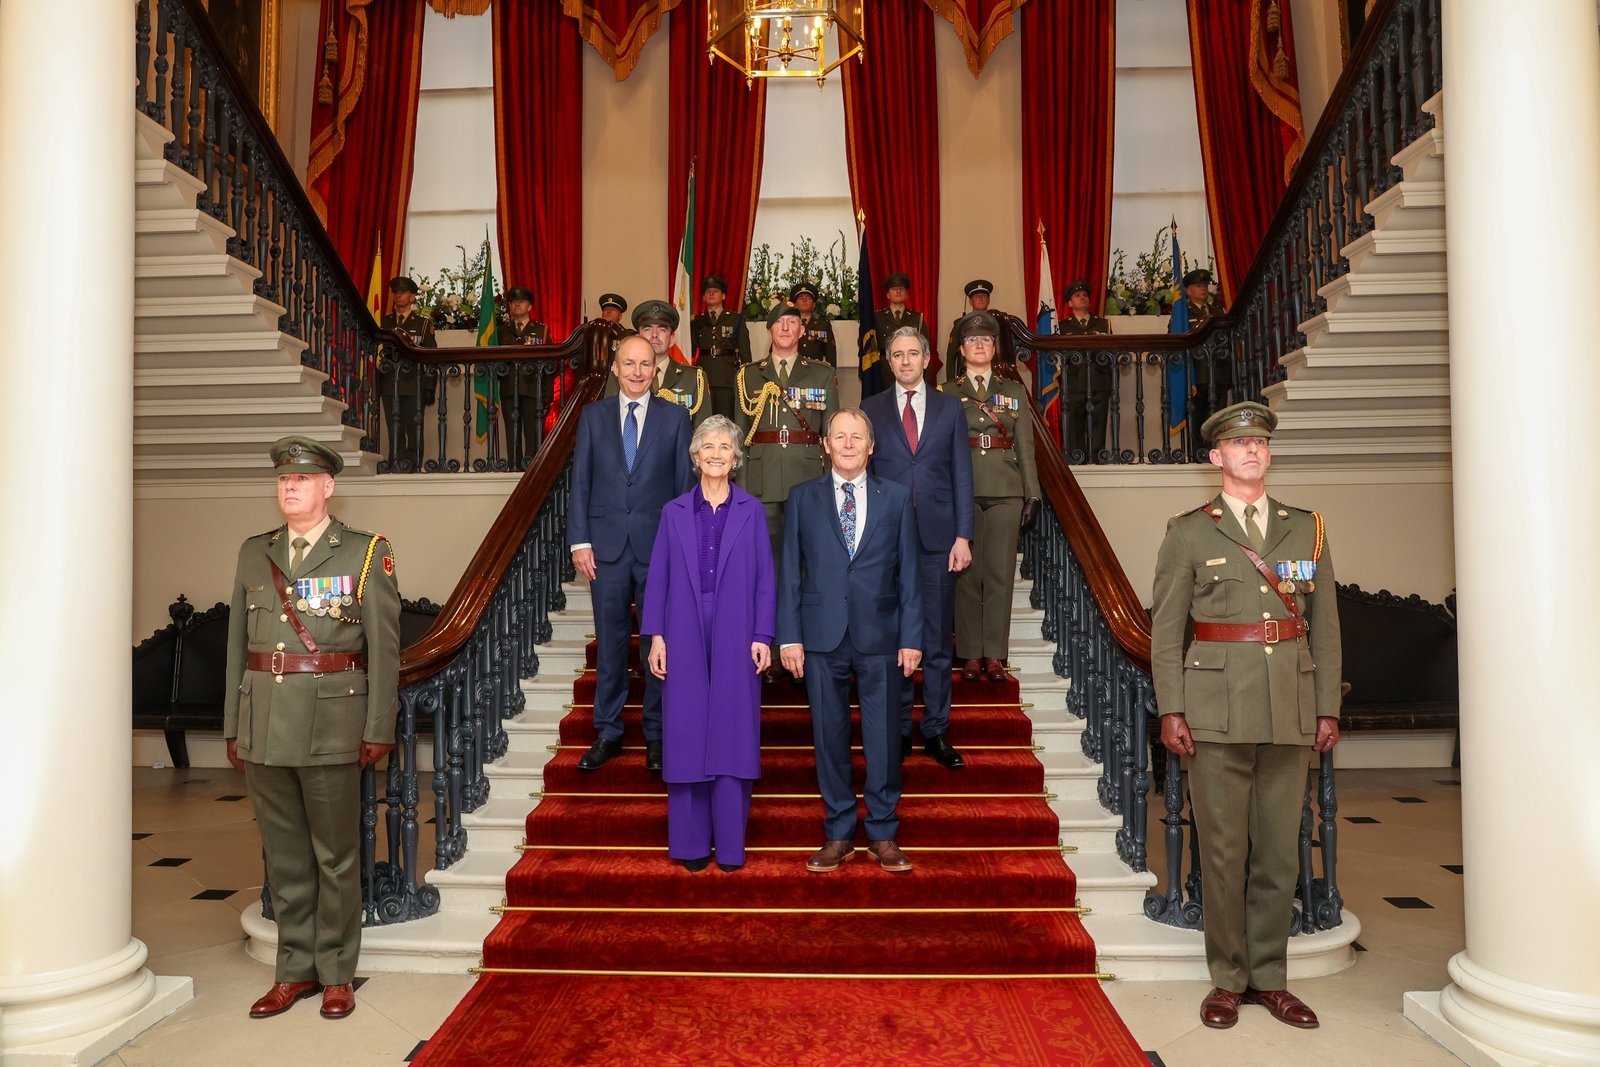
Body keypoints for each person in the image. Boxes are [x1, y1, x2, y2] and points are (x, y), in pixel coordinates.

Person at [1150, 401, 1342, 1032]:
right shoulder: (1189, 531)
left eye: (1260, 442)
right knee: (1225, 852)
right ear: (1216, 458)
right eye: (1239, 444)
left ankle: (1271, 980)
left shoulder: (1306, 527)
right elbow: (1167, 629)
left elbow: (1325, 629)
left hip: (1289, 707)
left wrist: (1326, 708)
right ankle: (1228, 980)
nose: (1252, 451)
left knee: (1280, 854)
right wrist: (1171, 706)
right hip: (1215, 711)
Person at [222, 435, 400, 1021]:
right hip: (265, 723)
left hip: (331, 723)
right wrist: (233, 725)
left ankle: (337, 974)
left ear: (328, 487)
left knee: (335, 856)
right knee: (285, 857)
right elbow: (235, 650)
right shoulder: (255, 553)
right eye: (283, 480)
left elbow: (384, 651)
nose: (290, 487)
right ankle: (293, 972)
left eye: (301, 479)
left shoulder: (366, 552)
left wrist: (378, 726)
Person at [777, 409, 923, 874]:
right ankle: (839, 830)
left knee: (882, 737)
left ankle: (882, 831)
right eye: (838, 436)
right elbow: (789, 577)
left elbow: (911, 576)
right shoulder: (800, 498)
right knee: (829, 736)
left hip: (881, 636)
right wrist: (789, 637)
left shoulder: (897, 499)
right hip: (820, 637)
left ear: (871, 446)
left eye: (856, 436)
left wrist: (911, 637)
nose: (847, 444)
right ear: (825, 445)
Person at [641, 415, 774, 873]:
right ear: (695, 456)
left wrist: (763, 635)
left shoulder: (752, 510)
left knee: (733, 731)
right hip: (681, 625)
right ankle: (692, 844)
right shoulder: (673, 511)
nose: (716, 454)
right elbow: (656, 578)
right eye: (708, 447)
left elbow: (765, 580)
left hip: (737, 625)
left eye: (725, 447)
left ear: (736, 458)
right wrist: (657, 635)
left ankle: (732, 847)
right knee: (687, 730)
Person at [570, 335, 695, 773]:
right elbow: (580, 481)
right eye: (630, 363)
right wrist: (579, 541)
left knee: (659, 647)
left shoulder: (677, 418)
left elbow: (684, 489)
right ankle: (608, 732)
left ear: (654, 369)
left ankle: (657, 736)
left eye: (645, 364)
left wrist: (684, 549)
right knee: (611, 645)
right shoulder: (592, 416)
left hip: (659, 549)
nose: (638, 371)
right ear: (615, 368)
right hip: (603, 551)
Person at [861, 327, 974, 769]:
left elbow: (962, 473)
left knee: (937, 642)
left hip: (938, 540)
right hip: (886, 542)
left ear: (928, 359)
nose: (906, 361)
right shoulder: (871, 409)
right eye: (897, 354)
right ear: (888, 362)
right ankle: (900, 728)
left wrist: (963, 535)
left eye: (913, 354)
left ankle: (936, 730)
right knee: (892, 640)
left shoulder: (950, 408)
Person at [941, 312, 1040, 684]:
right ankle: (968, 653)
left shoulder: (1012, 391)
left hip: (1005, 488)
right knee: (966, 576)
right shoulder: (946, 391)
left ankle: (995, 654)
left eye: (985, 340)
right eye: (972, 340)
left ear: (994, 348)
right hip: (962, 489)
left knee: (999, 574)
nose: (979, 345)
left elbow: (1026, 448)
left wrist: (1033, 495)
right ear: (962, 349)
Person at [733, 302, 840, 586]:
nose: (785, 328)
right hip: (761, 479)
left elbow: (831, 435)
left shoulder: (822, 373)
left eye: (792, 323)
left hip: (806, 476)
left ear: (802, 330)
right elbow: (739, 438)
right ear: (769, 330)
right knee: (764, 560)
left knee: (806, 557)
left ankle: (802, 627)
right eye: (779, 322)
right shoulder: (748, 375)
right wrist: (741, 487)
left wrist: (832, 483)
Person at [604, 299, 711, 429]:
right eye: (648, 329)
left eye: (662, 329)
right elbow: (609, 426)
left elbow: (704, 432)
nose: (654, 335)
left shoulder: (694, 378)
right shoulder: (619, 374)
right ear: (638, 336)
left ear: (672, 339)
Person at [378, 276, 437, 470]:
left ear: (412, 297)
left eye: (402, 292)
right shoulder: (384, 322)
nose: (398, 295)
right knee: (394, 428)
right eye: (396, 292)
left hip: (414, 383)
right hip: (389, 382)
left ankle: (411, 467)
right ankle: (395, 464)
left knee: (414, 429)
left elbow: (432, 357)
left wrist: (430, 386)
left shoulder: (422, 324)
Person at [1169, 268, 1227, 453]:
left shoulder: (1218, 312)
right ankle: (1198, 453)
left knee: (1218, 417)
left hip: (1218, 371)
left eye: (1204, 285)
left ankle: (1216, 451)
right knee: (1197, 416)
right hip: (1195, 373)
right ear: (1187, 290)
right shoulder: (1183, 314)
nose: (1203, 289)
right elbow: (1176, 340)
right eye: (1198, 286)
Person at [1058, 279, 1114, 461]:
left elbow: (1112, 353)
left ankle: (1097, 459)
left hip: (1099, 381)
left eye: (1085, 295)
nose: (1082, 298)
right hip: (1074, 383)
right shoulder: (1062, 326)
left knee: (1098, 423)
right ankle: (1077, 459)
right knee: (1075, 424)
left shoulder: (1103, 324)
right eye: (1077, 296)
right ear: (1069, 303)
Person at [500, 285, 550, 466]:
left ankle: (531, 466)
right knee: (511, 430)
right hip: (508, 388)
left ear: (530, 306)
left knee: (532, 431)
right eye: (513, 302)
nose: (516, 305)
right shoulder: (502, 331)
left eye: (521, 302)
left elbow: (549, 366)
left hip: (532, 388)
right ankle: (513, 464)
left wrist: (547, 393)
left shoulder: (541, 331)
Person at [690, 275, 751, 422]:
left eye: (715, 291)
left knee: (726, 419)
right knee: (704, 419)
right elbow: (690, 350)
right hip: (704, 375)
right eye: (708, 291)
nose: (711, 294)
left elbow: (745, 351)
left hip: (726, 376)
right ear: (704, 297)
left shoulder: (735, 319)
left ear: (723, 295)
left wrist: (747, 377)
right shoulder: (697, 321)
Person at [872, 272, 927, 389]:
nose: (898, 292)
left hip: (910, 369)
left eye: (901, 289)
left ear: (906, 294)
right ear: (887, 294)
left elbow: (925, 348)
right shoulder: (876, 318)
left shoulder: (917, 318)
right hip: (883, 369)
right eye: (894, 289)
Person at [944, 278, 993, 381]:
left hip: (993, 377)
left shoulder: (996, 323)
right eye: (976, 296)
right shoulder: (960, 324)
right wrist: (951, 381)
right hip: (966, 378)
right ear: (970, 301)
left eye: (983, 296)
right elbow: (951, 357)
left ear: (989, 300)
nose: (980, 299)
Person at [793, 282, 838, 367]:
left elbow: (830, 354)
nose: (804, 300)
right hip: (791, 373)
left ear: (814, 305)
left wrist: (831, 376)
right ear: (795, 304)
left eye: (808, 298)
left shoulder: (823, 326)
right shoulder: (787, 326)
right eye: (800, 298)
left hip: (815, 372)